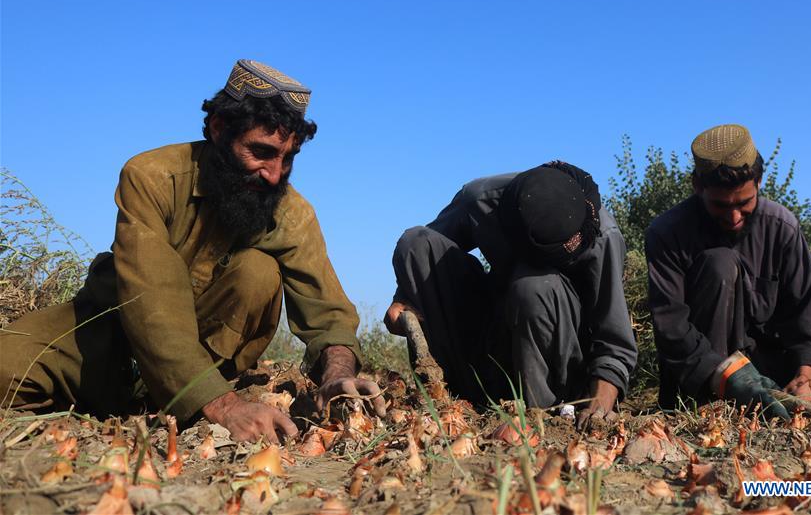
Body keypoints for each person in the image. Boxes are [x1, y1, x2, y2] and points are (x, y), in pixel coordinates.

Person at [0, 59, 385, 442]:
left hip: (207, 363)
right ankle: (139, 400)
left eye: (288, 158)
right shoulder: (152, 176)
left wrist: (337, 375)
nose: (274, 174)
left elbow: (327, 310)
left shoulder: (292, 213)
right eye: (261, 152)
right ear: (219, 129)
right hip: (112, 328)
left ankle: (181, 403)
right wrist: (224, 407)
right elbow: (151, 298)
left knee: (257, 271)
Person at [384, 161, 637, 428]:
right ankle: (450, 401)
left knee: (533, 286)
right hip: (493, 338)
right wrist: (404, 298)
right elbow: (423, 259)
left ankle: (542, 415)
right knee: (415, 243)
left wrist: (600, 401)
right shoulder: (480, 199)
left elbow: (615, 340)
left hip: (558, 359)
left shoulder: (601, 236)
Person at [645, 123, 811, 418]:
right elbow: (671, 327)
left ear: (759, 182)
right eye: (720, 205)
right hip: (699, 382)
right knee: (719, 263)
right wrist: (726, 376)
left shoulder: (782, 227)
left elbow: (806, 309)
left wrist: (808, 374)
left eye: (744, 203)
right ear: (697, 187)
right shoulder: (667, 234)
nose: (734, 217)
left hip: (769, 377)